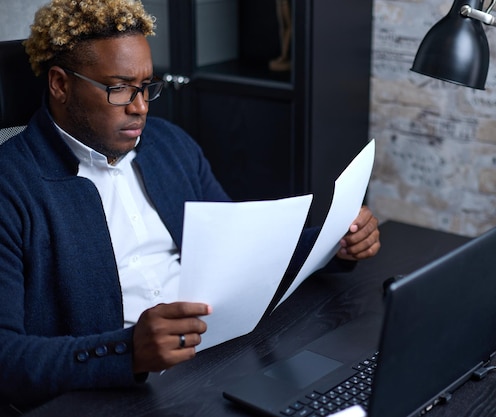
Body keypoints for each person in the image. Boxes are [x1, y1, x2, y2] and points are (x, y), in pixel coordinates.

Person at [0, 0, 380, 410]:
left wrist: (334, 242)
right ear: (60, 84)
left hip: (219, 358)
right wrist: (127, 353)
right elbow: (6, 357)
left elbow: (241, 254)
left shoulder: (169, 145)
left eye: (147, 86)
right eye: (120, 88)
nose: (140, 106)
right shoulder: (12, 186)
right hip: (116, 393)